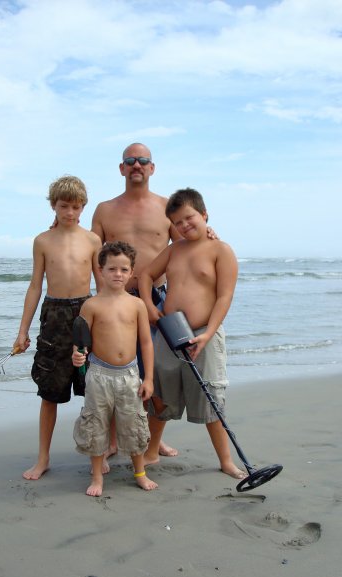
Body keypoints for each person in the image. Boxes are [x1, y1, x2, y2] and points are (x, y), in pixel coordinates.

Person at [139, 188, 248, 481]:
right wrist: (150, 306)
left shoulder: (220, 249)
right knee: (161, 394)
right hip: (170, 331)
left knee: (211, 397)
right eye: (178, 222)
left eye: (189, 218)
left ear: (204, 214)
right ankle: (151, 452)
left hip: (204, 334)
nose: (185, 226)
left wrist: (208, 335)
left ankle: (226, 460)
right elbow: (146, 275)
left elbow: (224, 297)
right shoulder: (174, 249)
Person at [91, 142, 181, 464]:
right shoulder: (104, 209)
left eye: (143, 161)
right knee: (118, 369)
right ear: (121, 168)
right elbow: (93, 252)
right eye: (130, 161)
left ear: (152, 168)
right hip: (117, 298)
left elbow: (185, 243)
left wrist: (207, 231)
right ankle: (116, 439)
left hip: (157, 299)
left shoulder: (168, 206)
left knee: (157, 371)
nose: (137, 165)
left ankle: (153, 440)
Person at [14, 175, 101, 480]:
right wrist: (23, 331)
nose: (70, 213)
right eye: (64, 206)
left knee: (94, 388)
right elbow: (35, 286)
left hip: (85, 312)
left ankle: (97, 453)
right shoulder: (42, 240)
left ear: (83, 207)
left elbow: (102, 286)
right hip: (53, 314)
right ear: (53, 205)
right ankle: (43, 458)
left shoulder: (91, 239)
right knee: (49, 391)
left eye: (76, 207)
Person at [72, 241, 158, 497]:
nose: (117, 274)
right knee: (95, 424)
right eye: (112, 269)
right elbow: (80, 342)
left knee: (134, 424)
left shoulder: (137, 304)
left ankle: (140, 473)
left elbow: (146, 342)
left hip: (130, 375)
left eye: (123, 269)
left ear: (132, 272)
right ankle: (97, 476)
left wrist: (149, 378)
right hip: (99, 374)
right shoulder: (91, 305)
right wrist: (77, 357)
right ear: (100, 270)